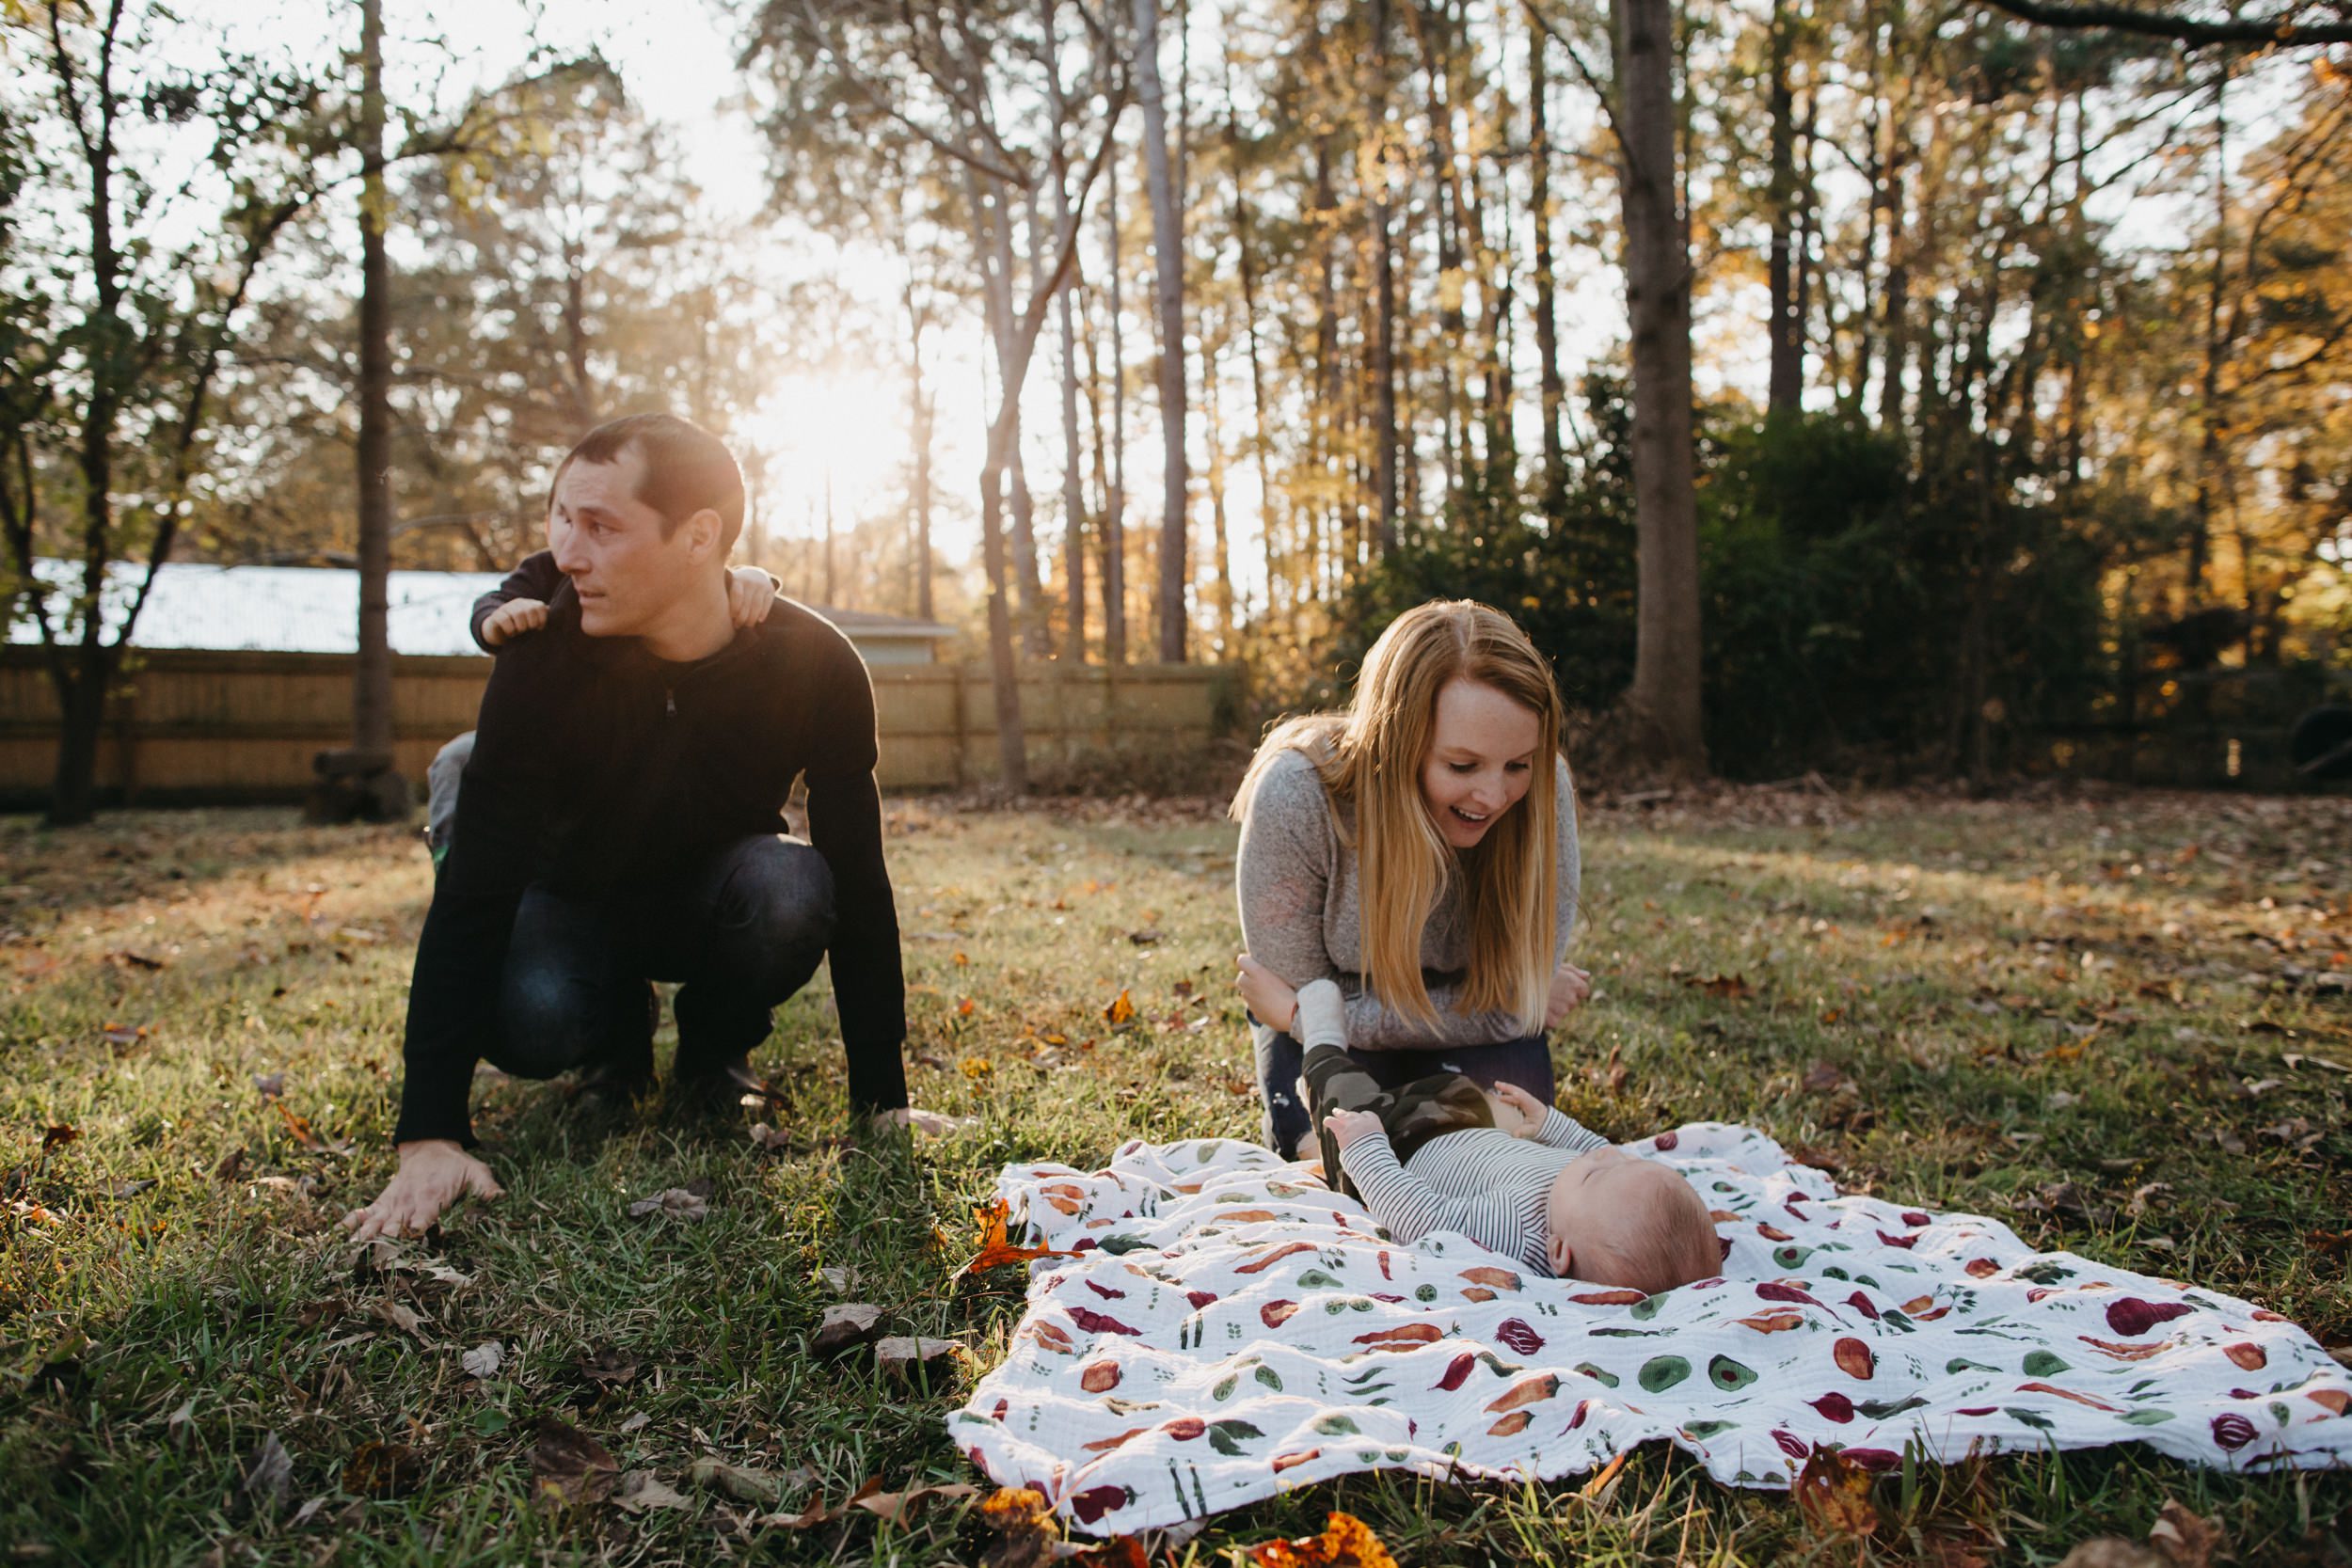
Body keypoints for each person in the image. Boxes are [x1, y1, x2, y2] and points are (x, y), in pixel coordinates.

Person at [346, 413, 925, 1243]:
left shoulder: (813, 663)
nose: (568, 553)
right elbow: (473, 895)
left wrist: (882, 1103)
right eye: (561, 519)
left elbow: (861, 885)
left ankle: (712, 1054)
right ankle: (612, 1041)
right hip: (568, 896)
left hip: (704, 896)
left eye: (602, 527)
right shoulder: (541, 653)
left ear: (699, 538)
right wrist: (429, 1132)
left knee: (792, 887)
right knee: (534, 1014)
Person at [1231, 599, 1589, 1158]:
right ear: (1396, 743)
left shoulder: (1547, 791)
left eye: (1518, 764)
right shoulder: (1297, 795)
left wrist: (1307, 1015)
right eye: (1462, 766)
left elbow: (1517, 1000)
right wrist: (1494, 1012)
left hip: (1324, 1021)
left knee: (1504, 1160)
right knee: (1338, 1170)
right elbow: (1511, 1007)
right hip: (1332, 1046)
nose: (1495, 796)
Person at [1300, 982, 1719, 1291]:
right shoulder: (1594, 1193)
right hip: (1463, 1124)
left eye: (1598, 1173)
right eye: (1628, 1162)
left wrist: (1367, 1150)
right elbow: (1598, 1151)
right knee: (1466, 1088)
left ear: (1558, 1252)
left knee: (1345, 1100)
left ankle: (1320, 1044)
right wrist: (1551, 1125)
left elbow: (1424, 1220)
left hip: (1399, 1146)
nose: (1606, 1156)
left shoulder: (1515, 1231)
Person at [424, 549, 784, 869]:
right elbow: (493, 603)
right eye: (564, 518)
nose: (576, 539)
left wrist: (751, 577)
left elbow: (695, 584)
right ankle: (451, 860)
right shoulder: (548, 570)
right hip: (543, 735)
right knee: (457, 756)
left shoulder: (640, 571)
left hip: (614, 736)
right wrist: (496, 618)